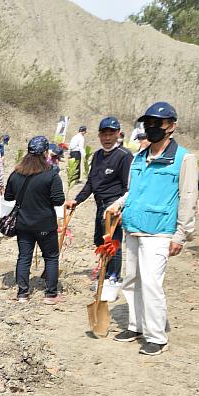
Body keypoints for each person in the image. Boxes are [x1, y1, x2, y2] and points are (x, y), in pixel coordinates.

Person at [108, 102, 198, 356]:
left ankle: (157, 336)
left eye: (157, 123)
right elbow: (133, 191)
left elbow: (189, 198)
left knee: (151, 284)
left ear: (171, 126)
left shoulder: (184, 159)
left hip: (159, 231)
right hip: (134, 227)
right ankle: (136, 325)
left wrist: (181, 234)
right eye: (148, 123)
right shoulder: (139, 157)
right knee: (132, 280)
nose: (152, 127)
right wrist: (119, 204)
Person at [65, 117, 133, 282]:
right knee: (99, 239)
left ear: (118, 134)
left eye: (111, 134)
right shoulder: (97, 156)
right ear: (99, 135)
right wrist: (77, 200)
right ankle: (105, 269)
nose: (107, 138)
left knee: (112, 241)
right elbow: (91, 183)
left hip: (113, 205)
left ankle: (112, 276)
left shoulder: (124, 156)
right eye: (104, 134)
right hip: (99, 204)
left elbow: (128, 188)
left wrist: (119, 207)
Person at [5, 136, 65, 304]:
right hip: (45, 223)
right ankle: (51, 295)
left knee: (24, 257)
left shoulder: (16, 173)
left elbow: (8, 197)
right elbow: (58, 200)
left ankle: (23, 293)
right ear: (45, 153)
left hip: (23, 224)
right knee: (51, 257)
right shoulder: (51, 175)